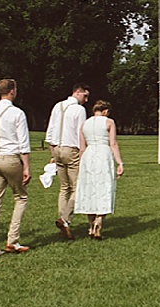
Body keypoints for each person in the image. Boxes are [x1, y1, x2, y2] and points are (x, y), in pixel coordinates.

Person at [0, 78, 32, 257]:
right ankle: (12, 240)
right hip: (10, 158)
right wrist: (26, 166)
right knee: (21, 197)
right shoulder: (17, 113)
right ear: (12, 91)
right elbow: (23, 143)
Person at [74, 100, 125, 240]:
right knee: (104, 188)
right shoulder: (109, 122)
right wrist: (120, 162)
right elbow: (113, 143)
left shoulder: (84, 124)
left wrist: (80, 164)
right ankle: (99, 221)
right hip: (103, 154)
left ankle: (91, 225)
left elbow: (82, 148)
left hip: (89, 155)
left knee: (89, 189)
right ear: (105, 111)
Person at [46, 83, 89, 240]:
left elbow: (50, 130)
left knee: (64, 187)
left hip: (57, 148)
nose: (86, 99)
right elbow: (80, 132)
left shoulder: (58, 106)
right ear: (77, 92)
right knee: (77, 187)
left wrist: (52, 151)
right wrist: (82, 152)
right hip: (71, 149)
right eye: (85, 95)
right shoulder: (79, 109)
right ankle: (64, 219)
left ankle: (62, 220)